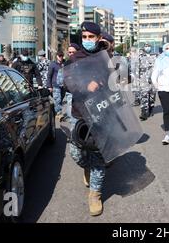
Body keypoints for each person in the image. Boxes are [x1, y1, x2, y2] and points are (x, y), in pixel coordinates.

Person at [65, 21, 110, 217]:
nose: (87, 40)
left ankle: (95, 194)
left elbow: (115, 81)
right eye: (84, 36)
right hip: (79, 114)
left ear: (98, 38)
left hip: (101, 113)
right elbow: (67, 82)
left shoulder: (105, 57)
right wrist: (84, 86)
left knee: (99, 156)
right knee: (77, 152)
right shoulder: (75, 58)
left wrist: (106, 81)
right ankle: (87, 167)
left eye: (91, 37)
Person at [135, 43, 157, 121]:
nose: (147, 48)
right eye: (146, 46)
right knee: (144, 96)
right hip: (143, 79)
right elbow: (137, 68)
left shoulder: (155, 56)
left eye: (149, 46)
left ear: (151, 47)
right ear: (144, 48)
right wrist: (137, 80)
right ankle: (144, 113)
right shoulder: (140, 57)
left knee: (152, 97)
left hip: (153, 80)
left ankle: (151, 109)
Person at [47, 51, 66, 117]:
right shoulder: (53, 64)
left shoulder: (64, 63)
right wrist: (49, 86)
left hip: (63, 85)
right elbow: (49, 75)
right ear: (57, 56)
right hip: (55, 85)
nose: (60, 57)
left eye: (61, 56)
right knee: (57, 99)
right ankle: (58, 113)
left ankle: (57, 111)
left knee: (61, 99)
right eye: (59, 56)